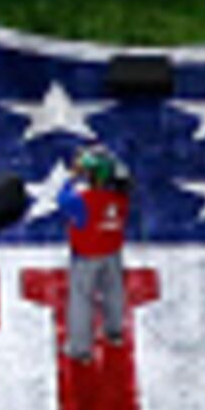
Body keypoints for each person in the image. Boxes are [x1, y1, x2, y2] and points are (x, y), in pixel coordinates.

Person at [60, 145, 131, 375]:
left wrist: (73, 175)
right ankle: (115, 332)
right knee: (114, 292)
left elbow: (62, 198)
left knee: (81, 300)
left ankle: (81, 349)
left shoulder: (82, 200)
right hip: (112, 252)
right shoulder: (120, 198)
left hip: (86, 256)